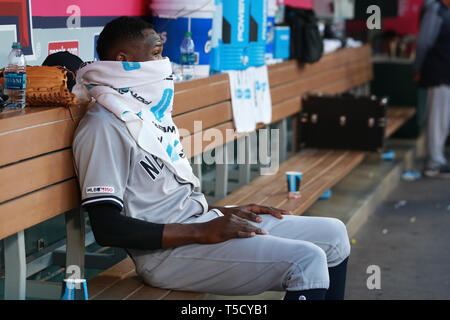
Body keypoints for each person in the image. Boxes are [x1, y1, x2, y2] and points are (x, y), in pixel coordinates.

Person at [72, 16, 350, 301]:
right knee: (307, 260)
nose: (164, 61)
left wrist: (224, 212)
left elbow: (172, 198)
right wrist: (202, 230)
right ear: (124, 59)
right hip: (166, 255)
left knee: (334, 235)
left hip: (199, 223)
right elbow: (107, 228)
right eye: (156, 53)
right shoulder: (103, 125)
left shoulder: (142, 111)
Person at [414, 0, 450, 178]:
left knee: (442, 119)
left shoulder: (444, 11)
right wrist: (417, 69)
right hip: (437, 72)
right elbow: (423, 43)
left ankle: (437, 159)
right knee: (437, 119)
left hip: (444, 73)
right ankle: (433, 163)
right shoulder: (435, 9)